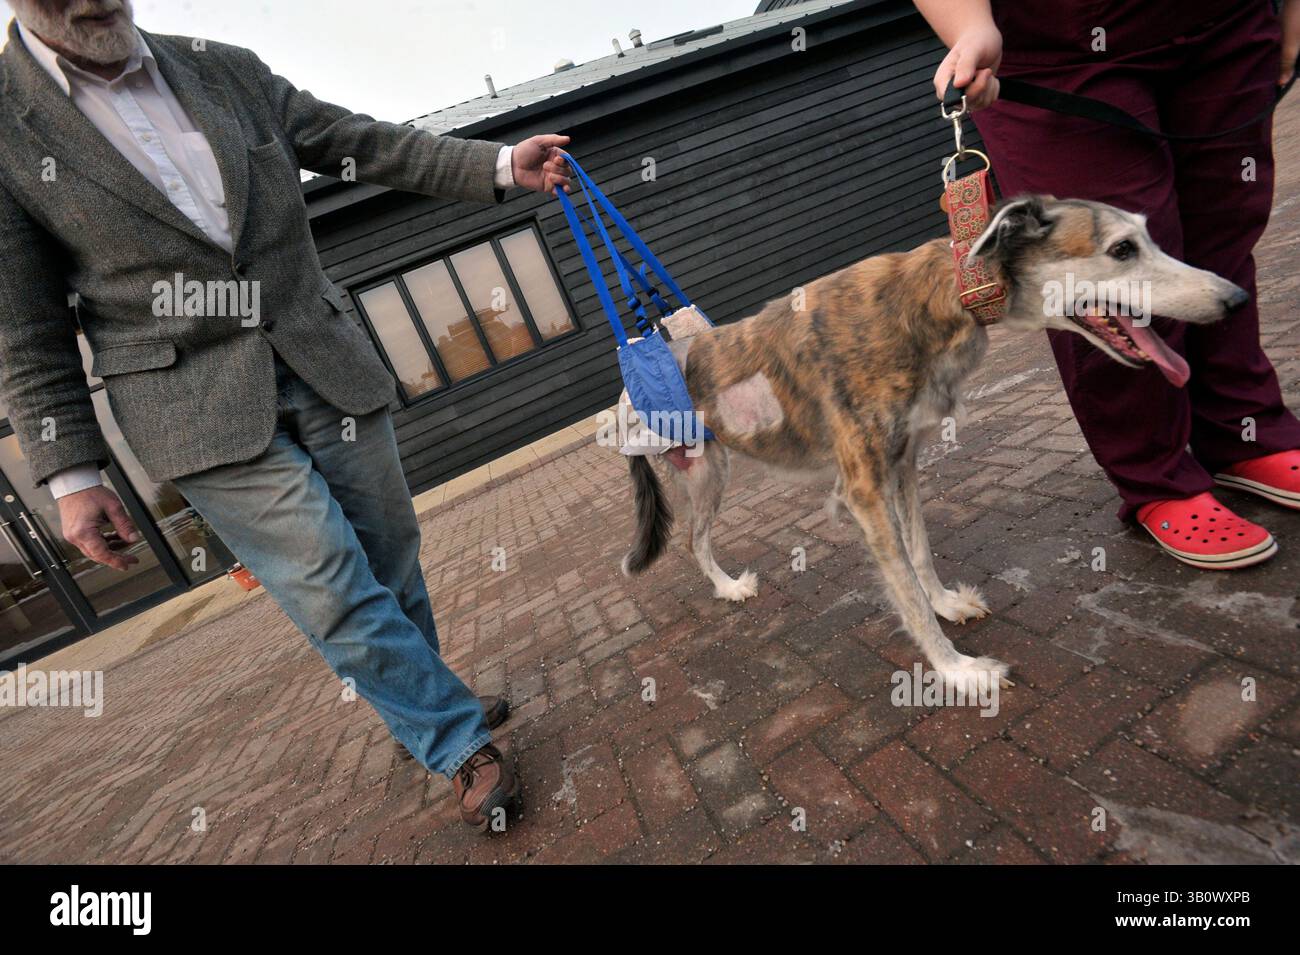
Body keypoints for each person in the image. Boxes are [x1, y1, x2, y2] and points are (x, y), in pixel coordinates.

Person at [0, 0, 572, 830]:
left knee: (389, 559)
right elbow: (27, 325)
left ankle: (424, 706)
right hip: (191, 401)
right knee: (329, 579)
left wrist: (492, 167)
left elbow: (356, 140)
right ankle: (455, 742)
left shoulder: (220, 65)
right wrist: (71, 474)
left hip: (319, 353)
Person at [916, 0, 1300, 570]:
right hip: (1054, 51)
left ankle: (1246, 432)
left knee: (1224, 235)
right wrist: (969, 24)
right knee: (1106, 280)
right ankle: (1157, 476)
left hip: (1228, 23)